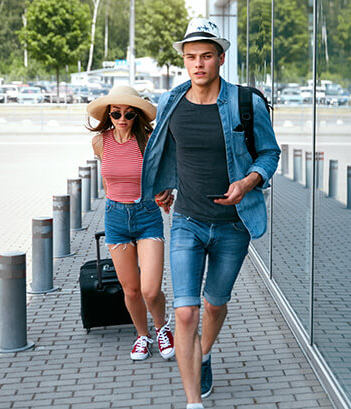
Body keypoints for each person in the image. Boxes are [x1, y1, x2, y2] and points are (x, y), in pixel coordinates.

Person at [140, 18, 280, 409]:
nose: (198, 64)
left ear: (220, 57)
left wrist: (248, 182)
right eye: (190, 57)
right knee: (185, 313)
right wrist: (161, 187)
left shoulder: (245, 103)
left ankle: (202, 354)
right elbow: (163, 150)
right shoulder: (170, 103)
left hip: (233, 227)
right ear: (184, 61)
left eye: (205, 56)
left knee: (215, 304)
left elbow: (270, 153)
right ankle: (193, 403)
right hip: (187, 220)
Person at [86, 85, 175, 362]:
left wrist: (166, 190)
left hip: (147, 216)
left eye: (129, 114)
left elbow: (166, 171)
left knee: (150, 289)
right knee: (132, 289)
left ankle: (162, 328)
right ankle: (142, 335)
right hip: (115, 217)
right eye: (116, 113)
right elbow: (107, 178)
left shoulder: (148, 140)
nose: (122, 119)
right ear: (108, 115)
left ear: (137, 115)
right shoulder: (100, 142)